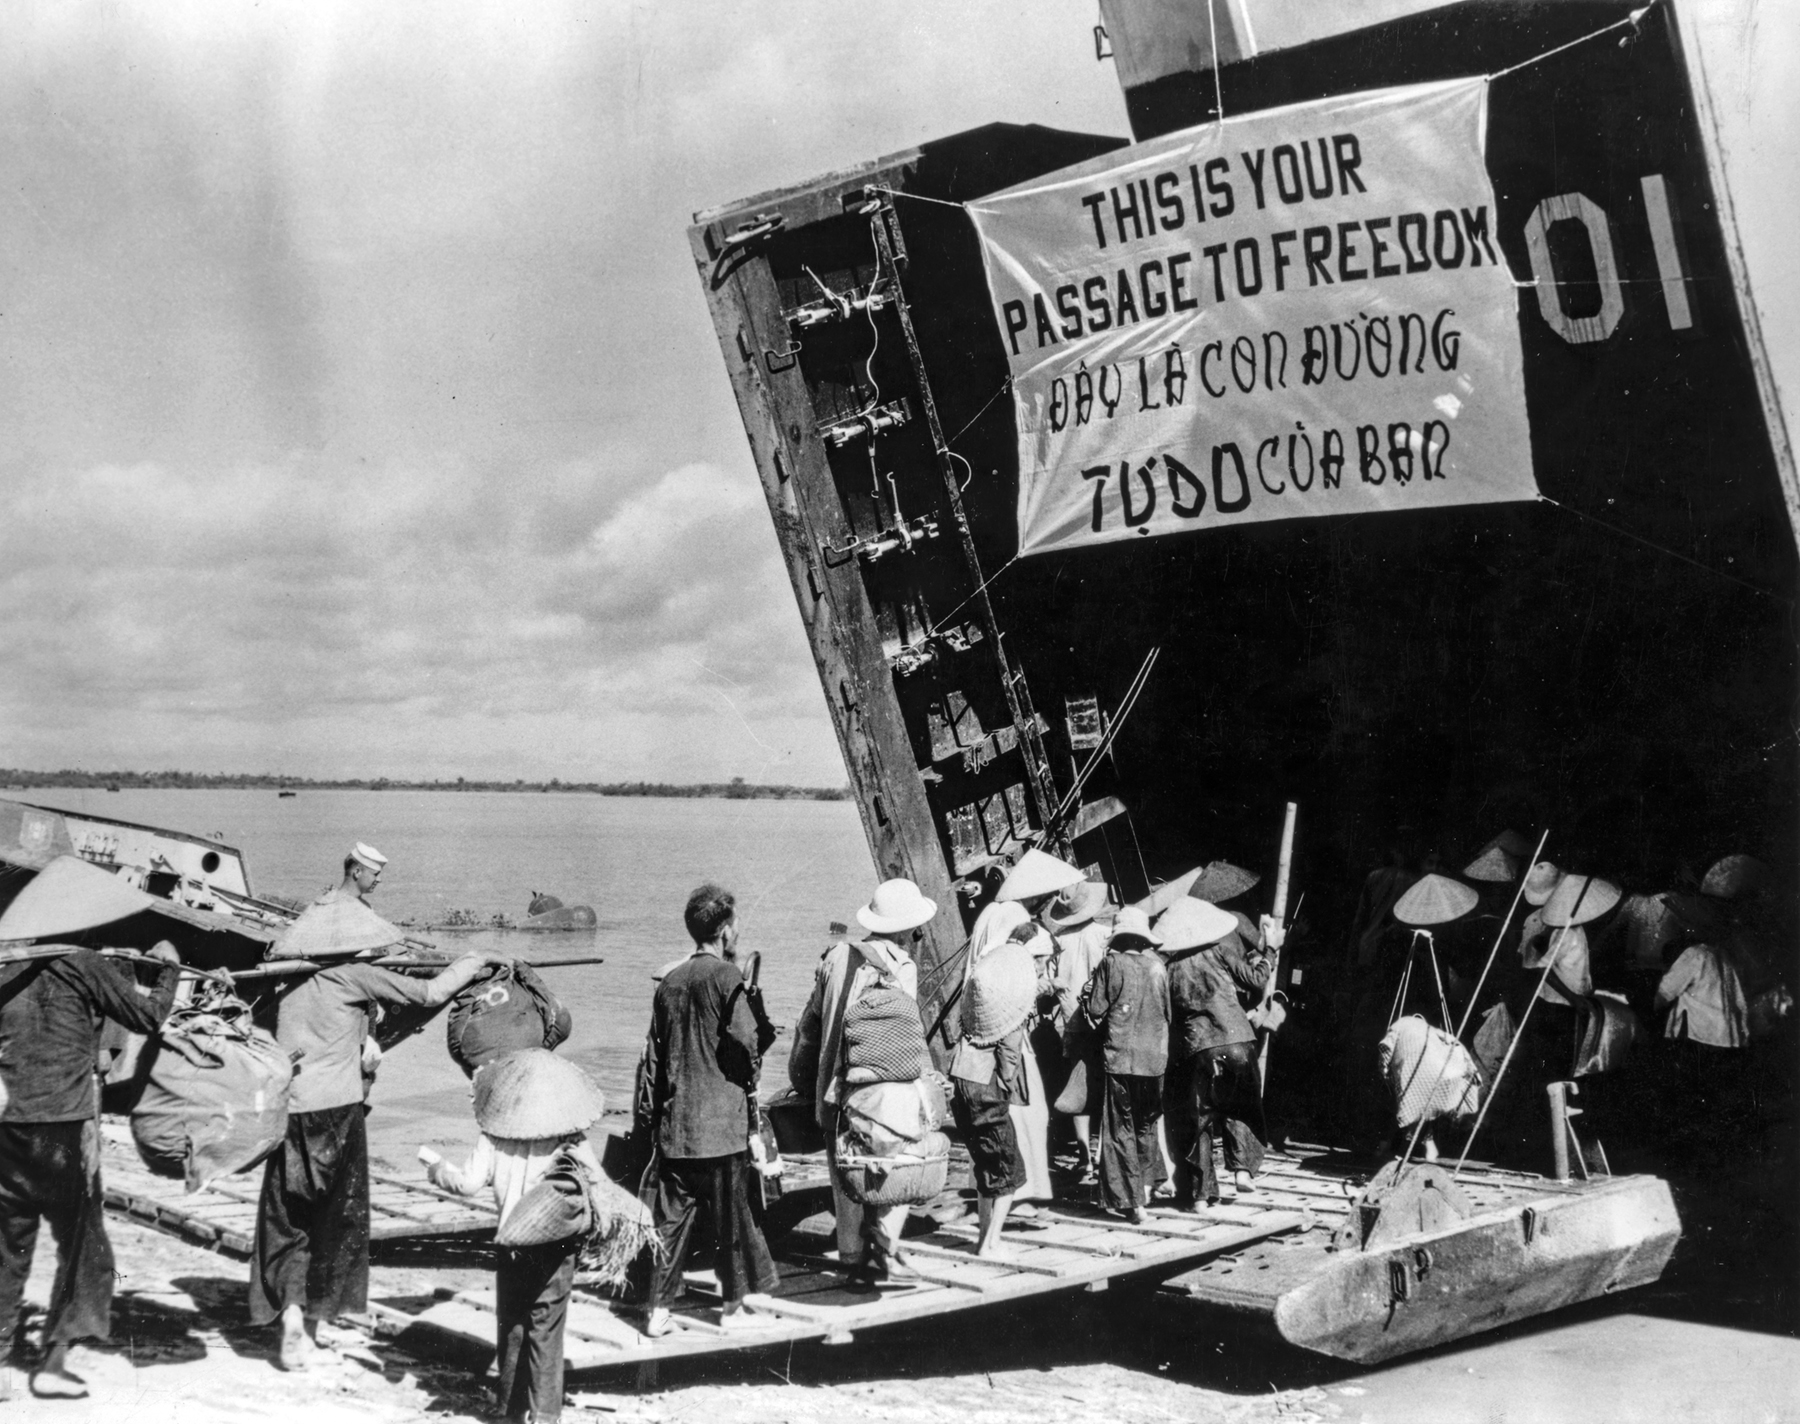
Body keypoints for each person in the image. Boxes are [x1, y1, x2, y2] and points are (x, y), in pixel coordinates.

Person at [251, 945, 502, 1370]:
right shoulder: (353, 974)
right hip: (336, 1113)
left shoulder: (285, 976)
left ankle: (290, 1314)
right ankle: (310, 1327)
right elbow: (428, 993)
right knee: (336, 1222)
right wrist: (473, 961)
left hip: (289, 1109)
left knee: (288, 1219)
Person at [0, 941, 182, 1400]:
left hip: (9, 1126)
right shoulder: (84, 962)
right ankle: (53, 1361)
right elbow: (147, 1016)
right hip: (64, 1128)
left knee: (8, 1245)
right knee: (84, 1247)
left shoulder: (7, 963)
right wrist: (169, 971)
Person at [426, 1050, 606, 1424]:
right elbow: (597, 1182)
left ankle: (509, 1410)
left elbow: (467, 1183)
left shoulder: (493, 1135)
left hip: (510, 1243)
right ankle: (544, 1415)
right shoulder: (569, 1136)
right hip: (553, 1247)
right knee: (547, 1329)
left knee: (512, 1327)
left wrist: (437, 1169)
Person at [638, 884, 778, 1335]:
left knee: (670, 1224)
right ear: (724, 931)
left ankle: (657, 1310)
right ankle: (733, 1308)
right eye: (734, 925)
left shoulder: (671, 983)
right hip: (721, 1127)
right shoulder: (727, 979)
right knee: (733, 1221)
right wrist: (750, 1070)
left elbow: (655, 1062)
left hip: (677, 1128)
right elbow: (748, 1039)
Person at [788, 878, 933, 1283]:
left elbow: (807, 1026)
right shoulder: (902, 965)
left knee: (844, 1166)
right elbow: (903, 1033)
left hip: (832, 1087)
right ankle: (883, 1249)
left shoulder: (835, 955)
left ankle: (850, 1254)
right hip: (876, 1088)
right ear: (905, 925)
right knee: (891, 1164)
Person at [1157, 897, 1269, 1205]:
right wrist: (1268, 952)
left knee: (1200, 1120)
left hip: (1198, 1048)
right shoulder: (1219, 949)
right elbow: (1256, 979)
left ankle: (1201, 1196)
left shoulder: (1170, 968)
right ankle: (1243, 1170)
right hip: (1237, 1040)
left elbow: (1168, 1016)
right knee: (1242, 1106)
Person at [991, 849, 1087, 1205]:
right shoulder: (1017, 916)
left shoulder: (995, 912)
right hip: (1011, 1028)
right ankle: (1024, 1184)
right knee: (1029, 1110)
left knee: (1026, 1110)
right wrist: (1047, 986)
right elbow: (1015, 969)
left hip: (999, 1024)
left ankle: (1025, 1183)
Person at [952, 919, 1039, 1254]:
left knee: (985, 1168)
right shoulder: (1011, 1007)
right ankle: (990, 1243)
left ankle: (982, 1237)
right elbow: (1008, 1052)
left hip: (963, 1078)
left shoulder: (983, 995)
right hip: (987, 1087)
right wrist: (1005, 1083)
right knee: (1008, 1170)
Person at [1082, 907, 1171, 1222]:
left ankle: (1134, 1204)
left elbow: (1095, 1008)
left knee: (1121, 1130)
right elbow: (1166, 1014)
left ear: (1118, 939)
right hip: (1155, 1060)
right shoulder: (1159, 967)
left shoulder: (1111, 963)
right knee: (1146, 1125)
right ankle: (1146, 1189)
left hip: (1121, 1058)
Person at [1045, 880, 1110, 1178]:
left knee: (1078, 1088)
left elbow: (1050, 984)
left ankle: (1084, 1156)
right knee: (1108, 1086)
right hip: (1101, 1022)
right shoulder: (1104, 935)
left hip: (1071, 1023)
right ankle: (1103, 1154)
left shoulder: (1058, 941)